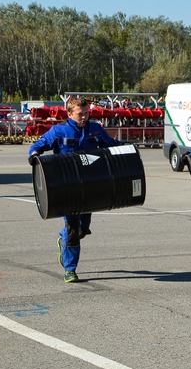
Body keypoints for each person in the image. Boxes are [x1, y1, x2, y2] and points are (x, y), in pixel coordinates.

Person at [29, 97, 122, 283]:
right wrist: (34, 155)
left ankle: (63, 239)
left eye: (87, 113)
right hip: (68, 188)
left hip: (89, 187)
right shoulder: (58, 131)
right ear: (70, 114)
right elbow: (38, 145)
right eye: (80, 114)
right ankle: (70, 270)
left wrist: (129, 149)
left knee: (82, 228)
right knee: (73, 228)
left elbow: (110, 145)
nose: (84, 117)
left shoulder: (95, 129)